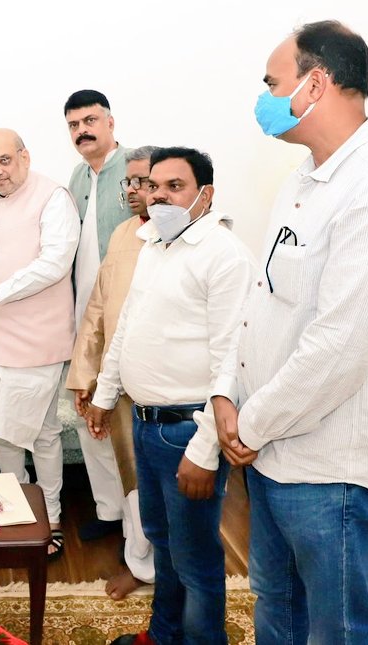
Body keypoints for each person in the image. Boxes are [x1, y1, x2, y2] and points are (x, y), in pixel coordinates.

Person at [215, 21, 368, 643]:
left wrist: (249, 426)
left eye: (272, 84)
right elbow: (261, 302)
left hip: (330, 469)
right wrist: (228, 392)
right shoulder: (302, 180)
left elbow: (341, 349)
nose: (264, 98)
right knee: (277, 612)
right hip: (272, 452)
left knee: (333, 630)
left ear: (315, 84)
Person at [88, 147, 254, 645]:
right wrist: (104, 394)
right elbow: (126, 328)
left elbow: (233, 360)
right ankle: (163, 635)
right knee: (162, 543)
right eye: (153, 186)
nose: (159, 196)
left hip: (189, 430)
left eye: (174, 186)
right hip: (146, 424)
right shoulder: (155, 245)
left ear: (206, 194)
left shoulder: (224, 255)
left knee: (194, 556)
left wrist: (205, 449)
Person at [0, 128, 79, 560]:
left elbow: (54, 263)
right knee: (1, 432)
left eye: (4, 161)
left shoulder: (54, 197)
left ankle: (50, 517)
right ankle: (11, 511)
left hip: (34, 339)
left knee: (41, 434)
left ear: (25, 157)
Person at [66, 146, 158, 599]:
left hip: (167, 382)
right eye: (130, 182)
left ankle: (157, 566)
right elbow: (98, 310)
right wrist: (86, 376)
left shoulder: (186, 238)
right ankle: (141, 562)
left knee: (160, 480)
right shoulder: (123, 233)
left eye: (145, 182)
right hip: (119, 377)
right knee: (131, 472)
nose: (135, 190)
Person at [63, 89, 133, 543]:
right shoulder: (76, 176)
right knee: (88, 409)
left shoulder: (135, 168)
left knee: (121, 418)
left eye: (90, 121)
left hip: (124, 315)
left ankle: (137, 523)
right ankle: (109, 510)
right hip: (82, 316)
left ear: (110, 122)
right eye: (74, 125)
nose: (82, 131)